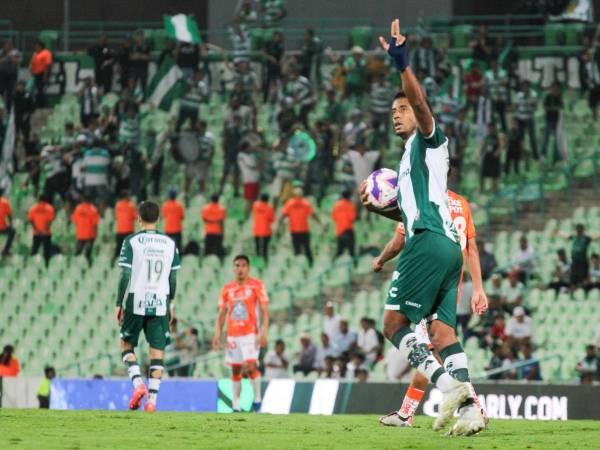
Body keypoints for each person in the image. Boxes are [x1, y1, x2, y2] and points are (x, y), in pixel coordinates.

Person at [363, 20, 486, 435]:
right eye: (393, 111)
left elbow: (419, 101)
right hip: (445, 247)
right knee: (441, 332)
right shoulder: (411, 164)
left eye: (402, 110)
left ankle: (450, 388)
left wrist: (402, 64)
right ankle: (471, 412)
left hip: (429, 243)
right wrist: (382, 212)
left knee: (393, 325)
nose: (397, 115)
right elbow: (410, 215)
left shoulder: (429, 141)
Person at [372, 189, 487, 427]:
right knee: (434, 350)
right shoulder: (461, 203)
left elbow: (398, 242)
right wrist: (477, 288)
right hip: (451, 280)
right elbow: (472, 249)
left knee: (413, 339)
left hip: (426, 275)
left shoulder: (423, 198)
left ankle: (472, 405)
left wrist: (380, 260)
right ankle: (406, 414)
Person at [116, 201, 180, 412]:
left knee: (126, 345)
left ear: (139, 219)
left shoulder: (131, 241)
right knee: (157, 352)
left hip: (136, 299)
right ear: (159, 219)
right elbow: (172, 278)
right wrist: (171, 303)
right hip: (160, 301)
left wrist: (119, 302)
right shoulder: (170, 243)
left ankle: (138, 385)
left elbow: (125, 274)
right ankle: (152, 401)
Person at [212, 255, 269, 412]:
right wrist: (217, 334)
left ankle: (257, 400)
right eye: (237, 265)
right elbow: (222, 313)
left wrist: (264, 332)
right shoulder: (227, 289)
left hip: (251, 334)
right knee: (236, 369)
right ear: (233, 268)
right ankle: (236, 405)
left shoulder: (257, 285)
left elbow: (265, 311)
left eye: (243, 265)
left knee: (250, 367)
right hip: (233, 335)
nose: (240, 268)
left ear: (248, 268)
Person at [280, 187, 321, 266]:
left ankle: (298, 265)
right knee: (307, 249)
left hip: (295, 231)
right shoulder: (305, 203)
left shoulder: (290, 203)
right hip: (304, 230)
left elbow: (283, 215)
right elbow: (313, 214)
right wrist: (319, 222)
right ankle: (310, 264)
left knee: (297, 250)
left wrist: (279, 223)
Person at [71, 197, 100, 267]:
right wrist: (95, 235)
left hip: (80, 235)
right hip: (89, 235)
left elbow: (74, 220)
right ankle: (90, 268)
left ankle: (75, 267)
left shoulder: (78, 208)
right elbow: (95, 224)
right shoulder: (93, 209)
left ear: (83, 200)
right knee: (88, 254)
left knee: (77, 253)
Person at [28, 195, 56, 266]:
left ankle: (32, 265)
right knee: (46, 251)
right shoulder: (50, 208)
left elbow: (31, 220)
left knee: (34, 250)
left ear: (38, 199)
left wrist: (36, 229)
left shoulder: (33, 208)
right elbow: (50, 221)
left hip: (36, 233)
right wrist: (44, 229)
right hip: (46, 233)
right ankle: (46, 265)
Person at [514, 80, 538, 161]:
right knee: (520, 138)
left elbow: (535, 107)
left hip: (529, 118)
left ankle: (535, 156)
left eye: (526, 86)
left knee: (532, 138)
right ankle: (522, 155)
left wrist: (530, 107)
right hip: (520, 118)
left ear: (528, 87)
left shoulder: (533, 94)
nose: (524, 88)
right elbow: (516, 106)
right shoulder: (518, 95)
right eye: (523, 86)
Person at [541, 82, 563, 162]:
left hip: (557, 121)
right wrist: (554, 108)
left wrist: (553, 108)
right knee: (546, 138)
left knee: (557, 139)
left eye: (556, 88)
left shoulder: (559, 97)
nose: (555, 90)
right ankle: (544, 154)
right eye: (553, 88)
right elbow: (546, 108)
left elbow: (561, 107)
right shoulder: (548, 97)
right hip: (549, 120)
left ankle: (556, 157)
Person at [331, 190, 357, 259]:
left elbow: (333, 217)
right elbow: (352, 218)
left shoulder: (337, 205)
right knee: (351, 251)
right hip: (348, 230)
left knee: (339, 251)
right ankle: (354, 266)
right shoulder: (351, 205)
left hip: (339, 231)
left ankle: (334, 265)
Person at [237, 142, 260, 217]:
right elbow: (252, 166)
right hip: (249, 180)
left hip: (255, 179)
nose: (251, 148)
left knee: (255, 200)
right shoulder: (241, 155)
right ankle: (247, 216)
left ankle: (252, 216)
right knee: (250, 200)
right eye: (249, 147)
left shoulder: (252, 155)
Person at [252, 193, 275, 262]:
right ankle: (265, 262)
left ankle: (257, 262)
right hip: (266, 231)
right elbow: (272, 219)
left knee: (257, 248)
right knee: (265, 248)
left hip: (256, 230)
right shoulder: (269, 208)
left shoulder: (255, 205)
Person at [114, 192, 137, 261]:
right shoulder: (131, 205)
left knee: (118, 248)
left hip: (120, 230)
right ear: (127, 196)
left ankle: (113, 262)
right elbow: (135, 216)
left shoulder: (117, 205)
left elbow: (116, 216)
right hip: (129, 230)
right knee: (130, 249)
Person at [30, 40, 53, 107]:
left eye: (37, 46)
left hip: (42, 73)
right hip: (36, 74)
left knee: (41, 90)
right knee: (38, 90)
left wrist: (45, 76)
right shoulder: (35, 54)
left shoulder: (46, 53)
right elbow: (32, 64)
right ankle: (39, 104)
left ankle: (44, 105)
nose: (35, 48)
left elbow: (48, 65)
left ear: (41, 47)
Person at [480, 122, 501, 193]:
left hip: (495, 158)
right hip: (487, 157)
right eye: (489, 128)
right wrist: (481, 152)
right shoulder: (486, 137)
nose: (490, 129)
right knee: (483, 174)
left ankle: (494, 190)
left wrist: (498, 152)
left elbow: (501, 145)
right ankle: (481, 190)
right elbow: (483, 145)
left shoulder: (497, 136)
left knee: (494, 176)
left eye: (492, 128)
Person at [161, 190, 185, 254]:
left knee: (167, 246)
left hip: (168, 228)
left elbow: (164, 215)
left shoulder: (165, 205)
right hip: (177, 229)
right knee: (178, 246)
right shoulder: (179, 206)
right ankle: (179, 258)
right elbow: (182, 217)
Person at [0, 188, 15, 256]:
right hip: (2, 227)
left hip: (2, 227)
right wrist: (11, 224)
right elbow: (9, 215)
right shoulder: (5, 202)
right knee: (12, 231)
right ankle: (5, 250)